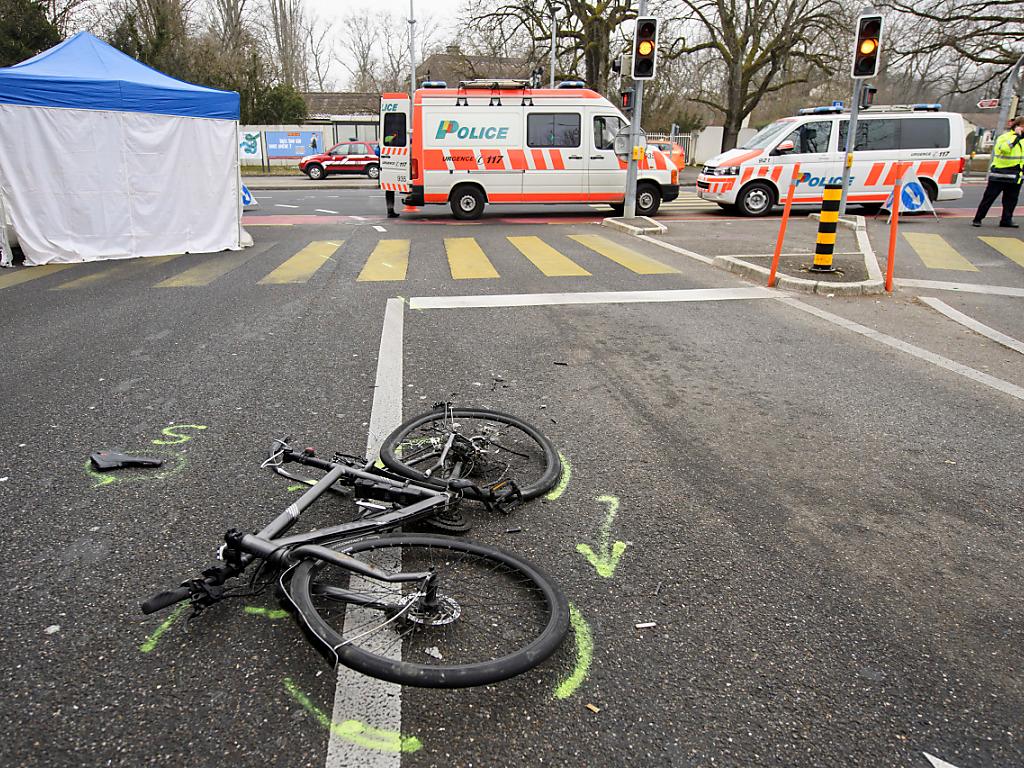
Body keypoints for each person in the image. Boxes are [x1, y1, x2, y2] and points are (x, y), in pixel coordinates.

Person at [972, 116, 1024, 228]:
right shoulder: (1005, 137)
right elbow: (1005, 149)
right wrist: (1015, 138)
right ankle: (978, 218)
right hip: (999, 174)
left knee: (1011, 200)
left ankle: (1006, 220)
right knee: (989, 198)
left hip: (1016, 175)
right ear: (1017, 126)